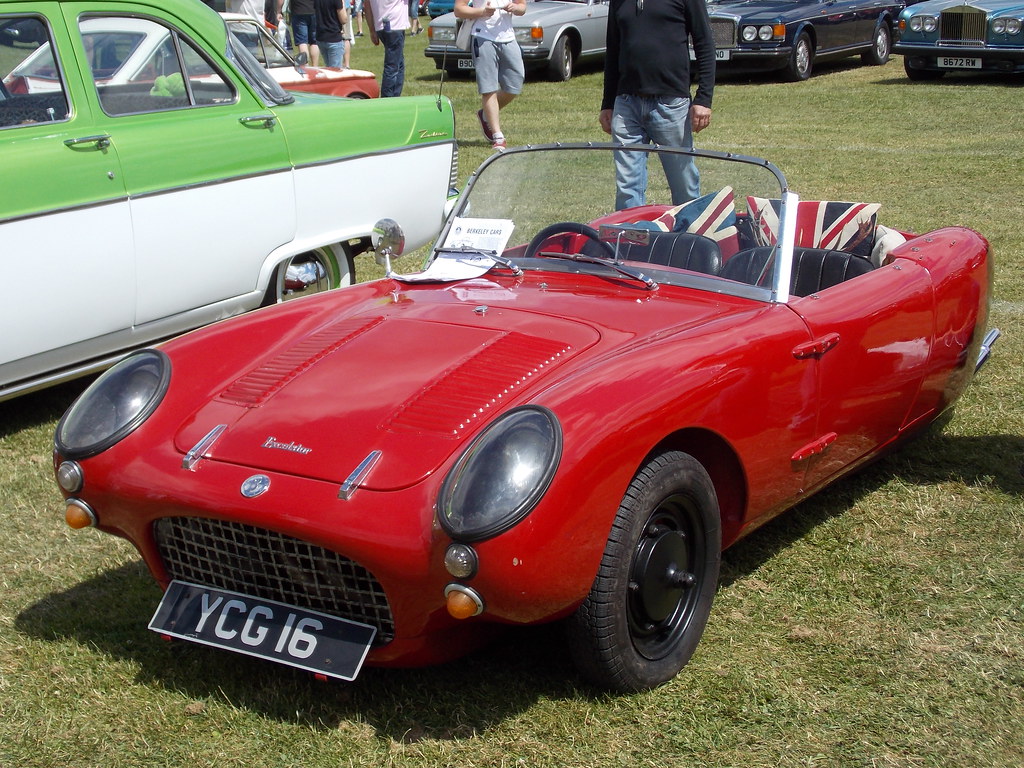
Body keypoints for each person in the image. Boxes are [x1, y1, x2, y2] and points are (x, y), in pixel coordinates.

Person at [599, 0, 716, 210]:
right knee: (627, 187)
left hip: (671, 103)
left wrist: (703, 99)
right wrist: (608, 103)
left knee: (683, 184)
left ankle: (689, 229)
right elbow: (613, 49)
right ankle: (630, 230)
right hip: (627, 104)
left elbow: (704, 42)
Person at [454, 0, 527, 151]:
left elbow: (522, 7)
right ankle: (498, 136)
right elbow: (459, 10)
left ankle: (485, 114)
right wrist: (481, 12)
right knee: (488, 87)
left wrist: (515, 7)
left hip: (508, 37)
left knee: (514, 84)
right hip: (482, 36)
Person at [364, 0, 409, 97]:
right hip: (395, 25)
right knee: (392, 66)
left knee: (399, 63)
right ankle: (387, 97)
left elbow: (367, 7)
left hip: (381, 26)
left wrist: (372, 30)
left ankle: (395, 95)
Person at [315, 0, 349, 67]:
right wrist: (343, 3)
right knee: (335, 70)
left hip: (321, 36)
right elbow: (344, 20)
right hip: (334, 37)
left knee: (329, 67)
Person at [291, 0, 321, 67]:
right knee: (314, 42)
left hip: (299, 10)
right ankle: (315, 67)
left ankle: (305, 67)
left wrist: (279, 11)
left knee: (302, 42)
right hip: (315, 10)